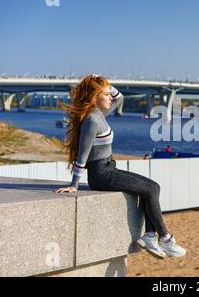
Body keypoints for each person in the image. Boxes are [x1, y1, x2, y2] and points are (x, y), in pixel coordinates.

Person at [54, 74, 186, 259]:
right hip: (100, 174)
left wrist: (103, 81)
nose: (110, 97)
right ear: (95, 96)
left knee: (154, 187)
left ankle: (150, 236)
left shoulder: (100, 114)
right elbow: (82, 156)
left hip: (109, 168)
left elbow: (120, 97)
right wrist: (74, 185)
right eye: (106, 94)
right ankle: (165, 238)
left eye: (109, 94)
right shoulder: (92, 121)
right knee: (149, 190)